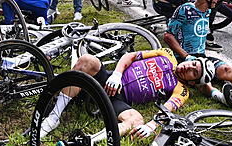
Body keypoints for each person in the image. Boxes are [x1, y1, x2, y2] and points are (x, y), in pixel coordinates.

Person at [38, 48, 219, 139]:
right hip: (110, 79)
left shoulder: (182, 90)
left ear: (193, 82)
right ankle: (54, 118)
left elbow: (167, 110)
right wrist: (117, 74)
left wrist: (151, 126)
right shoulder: (167, 54)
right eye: (193, 64)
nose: (189, 67)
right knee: (87, 60)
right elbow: (130, 56)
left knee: (137, 120)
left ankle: (91, 141)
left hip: (120, 99)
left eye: (193, 72)